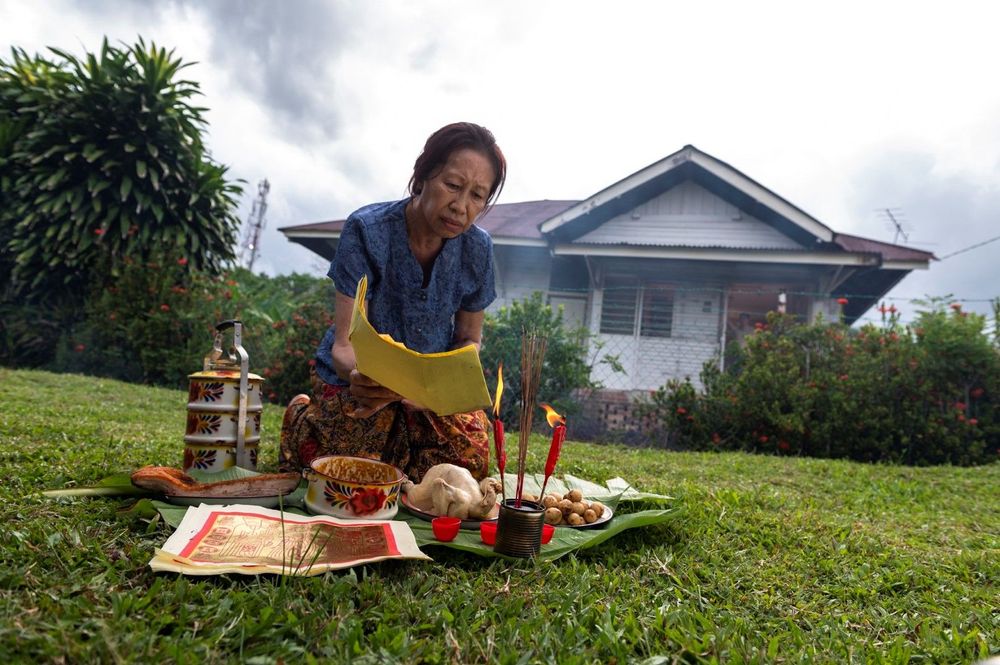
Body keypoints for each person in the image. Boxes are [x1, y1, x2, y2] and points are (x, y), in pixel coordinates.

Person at [279, 122, 506, 483]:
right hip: (361, 380)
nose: (461, 206)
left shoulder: (478, 249)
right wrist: (364, 378)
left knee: (467, 468)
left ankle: (405, 439)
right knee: (354, 471)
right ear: (423, 176)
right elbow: (344, 345)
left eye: (477, 195)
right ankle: (301, 418)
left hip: (428, 391)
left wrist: (441, 384)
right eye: (453, 185)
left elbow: (468, 339)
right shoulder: (367, 230)